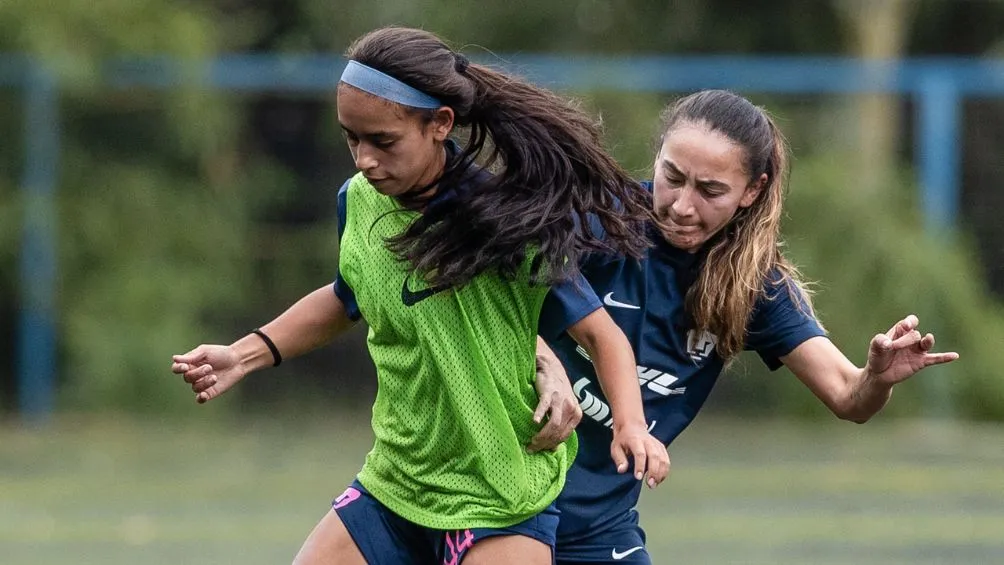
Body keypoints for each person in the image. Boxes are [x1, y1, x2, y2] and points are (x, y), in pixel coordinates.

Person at [170, 27, 670, 565]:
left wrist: (630, 425)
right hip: (397, 485)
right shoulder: (358, 201)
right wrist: (243, 356)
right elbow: (346, 297)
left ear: (440, 124)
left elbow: (602, 334)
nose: (363, 158)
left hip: (498, 498)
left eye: (383, 141)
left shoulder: (504, 222)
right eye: (351, 138)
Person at [535, 89, 960, 565]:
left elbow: (848, 396)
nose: (680, 205)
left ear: (751, 191)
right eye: (671, 177)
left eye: (710, 190)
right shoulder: (598, 219)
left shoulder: (753, 283)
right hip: (509, 501)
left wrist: (875, 378)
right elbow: (484, 298)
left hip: (599, 527)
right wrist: (542, 356)